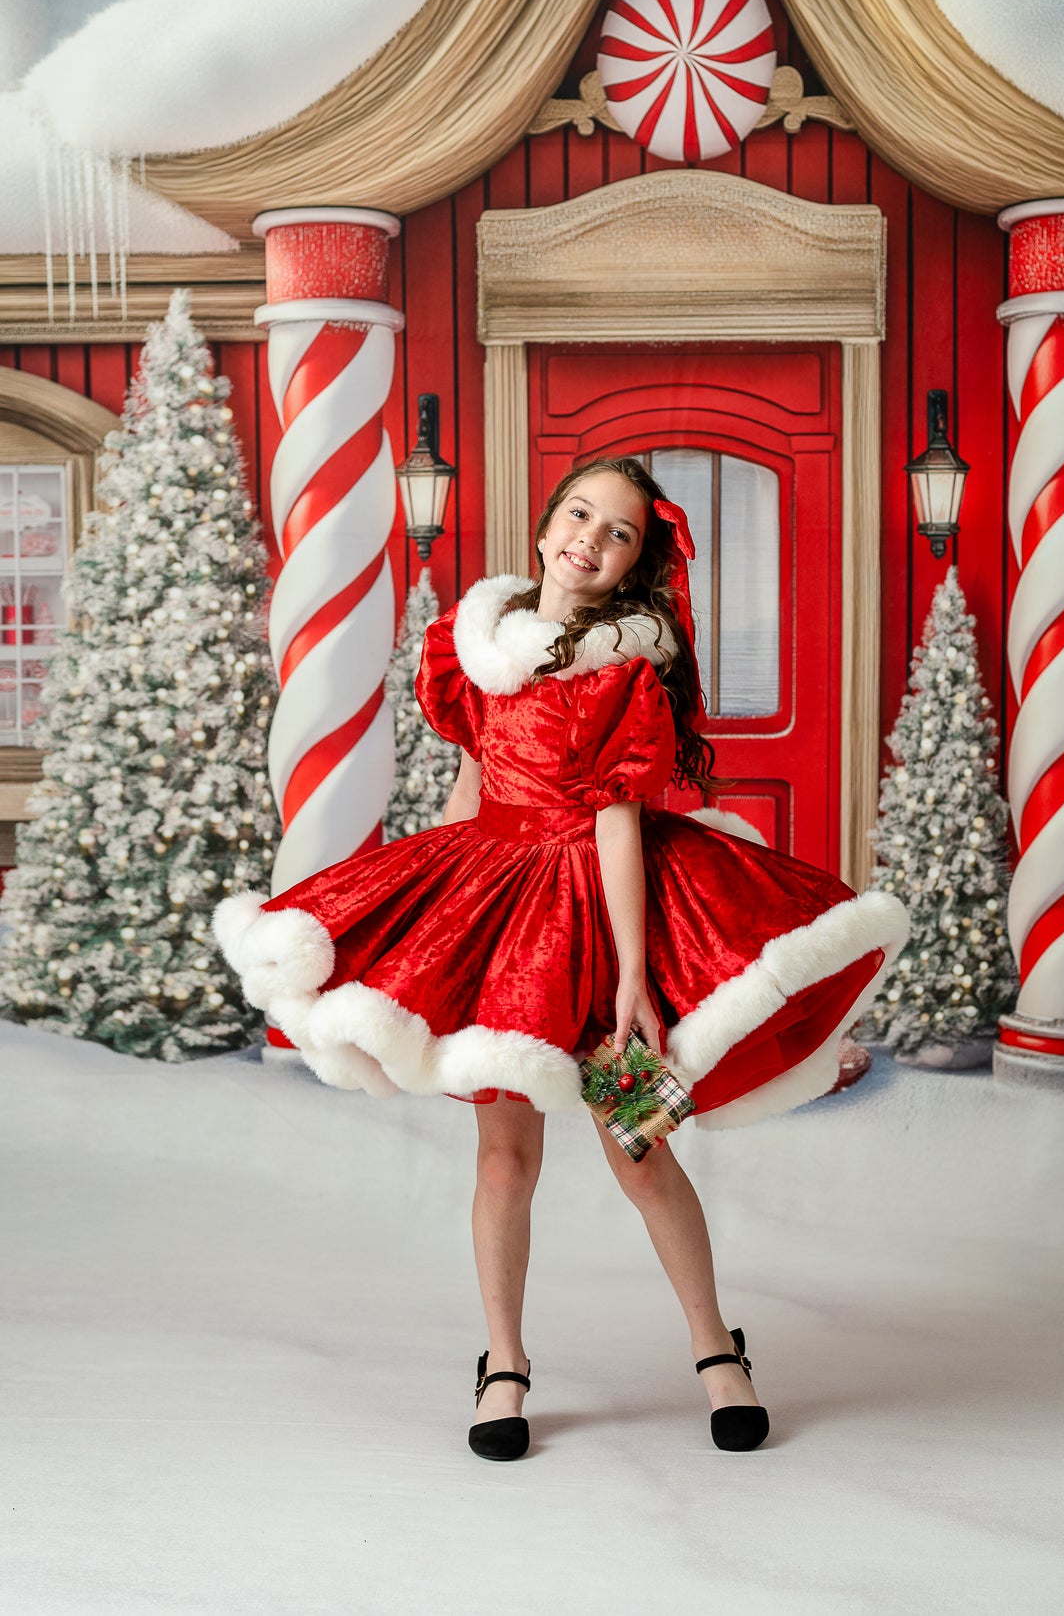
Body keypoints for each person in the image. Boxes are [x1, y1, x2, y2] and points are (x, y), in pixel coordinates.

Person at [212, 454, 908, 1462]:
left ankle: (719, 1349)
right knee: (504, 1160)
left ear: (631, 566)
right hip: (503, 919)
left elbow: (619, 825)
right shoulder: (481, 649)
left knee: (640, 1146)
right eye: (579, 514)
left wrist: (632, 975)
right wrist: (440, 916)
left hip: (601, 910)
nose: (590, 537)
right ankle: (504, 1360)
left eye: (618, 531)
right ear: (543, 527)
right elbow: (468, 784)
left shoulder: (622, 669)